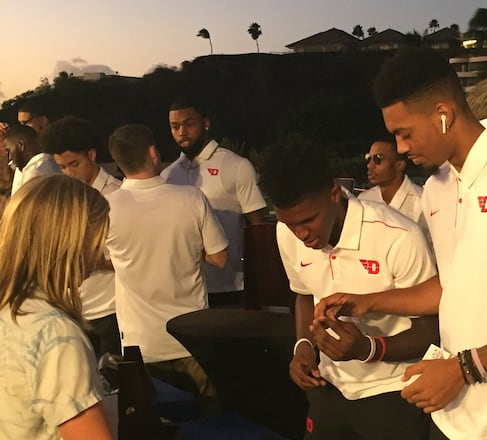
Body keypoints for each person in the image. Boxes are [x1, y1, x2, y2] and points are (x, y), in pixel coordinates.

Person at [315, 47, 487, 440]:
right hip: (452, 413)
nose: (400, 148)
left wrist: (465, 368)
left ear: (443, 114)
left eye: (405, 133)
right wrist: (370, 301)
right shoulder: (437, 188)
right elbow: (451, 285)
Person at [260, 136, 438, 440]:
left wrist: (367, 348)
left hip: (394, 392)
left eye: (309, 220)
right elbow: (304, 293)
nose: (301, 234)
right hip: (329, 386)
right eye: (290, 224)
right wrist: (303, 347)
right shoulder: (286, 233)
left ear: (334, 194)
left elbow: (431, 331)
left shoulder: (398, 236)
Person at [106, 124, 228, 399]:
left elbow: (96, 259)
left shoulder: (107, 208)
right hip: (191, 335)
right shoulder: (191, 198)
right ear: (153, 153)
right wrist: (188, 249)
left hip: (140, 340)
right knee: (207, 412)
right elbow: (220, 258)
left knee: (154, 415)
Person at [0, 174, 113, 439]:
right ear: (69, 242)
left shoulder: (11, 311)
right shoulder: (57, 335)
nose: (99, 254)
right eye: (96, 241)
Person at [161, 96, 267, 308]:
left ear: (205, 123)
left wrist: (259, 281)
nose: (182, 132)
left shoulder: (236, 166)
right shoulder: (168, 175)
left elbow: (258, 227)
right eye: (175, 127)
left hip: (231, 287)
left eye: (189, 124)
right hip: (184, 290)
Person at [40, 116, 122, 356]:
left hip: (111, 310)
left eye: (74, 164)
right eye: (62, 167)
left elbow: (134, 255)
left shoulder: (117, 196)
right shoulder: (62, 198)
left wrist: (92, 262)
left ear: (92, 155)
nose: (69, 173)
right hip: (72, 310)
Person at [357, 134, 431, 245]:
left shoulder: (422, 202)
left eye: (378, 159)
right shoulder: (364, 200)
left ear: (399, 165)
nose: (370, 166)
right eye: (368, 159)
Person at [3, 125, 61, 195]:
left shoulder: (36, 172)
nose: (9, 157)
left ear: (21, 145)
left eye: (9, 150)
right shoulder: (46, 164)